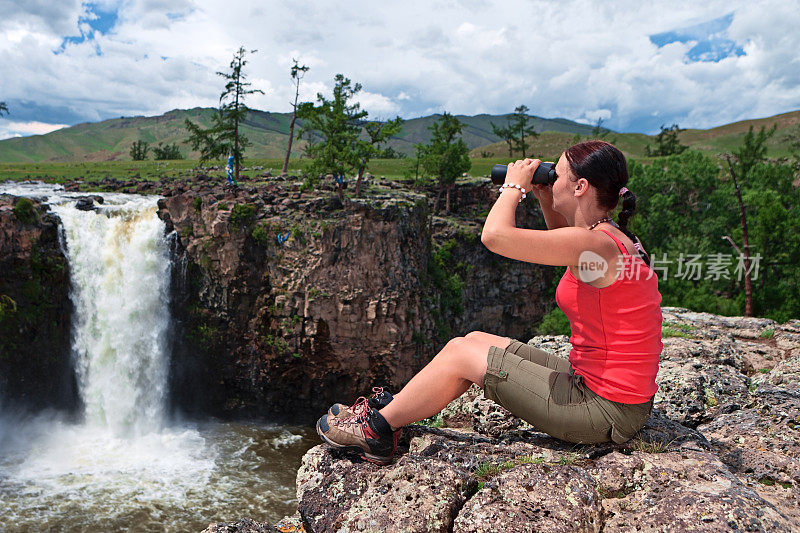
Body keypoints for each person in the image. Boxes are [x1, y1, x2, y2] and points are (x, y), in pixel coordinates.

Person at [316, 140, 663, 465]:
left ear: (580, 187)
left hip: (604, 410)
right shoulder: (616, 239)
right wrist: (544, 196)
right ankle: (398, 408)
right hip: (610, 393)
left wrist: (513, 186)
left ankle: (374, 431)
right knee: (471, 341)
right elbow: (564, 245)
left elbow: (494, 237)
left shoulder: (595, 246)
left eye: (556, 174)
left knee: (460, 356)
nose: (551, 178)